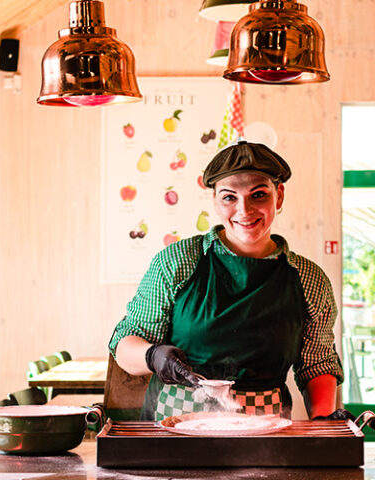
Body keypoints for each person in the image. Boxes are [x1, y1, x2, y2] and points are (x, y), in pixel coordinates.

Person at [108, 141, 351, 421]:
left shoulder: (309, 279)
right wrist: (153, 356)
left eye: (258, 195)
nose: (244, 210)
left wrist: (322, 422)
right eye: (229, 197)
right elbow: (126, 344)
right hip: (172, 430)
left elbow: (317, 365)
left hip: (266, 433)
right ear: (214, 200)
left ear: (279, 196)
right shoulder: (178, 261)